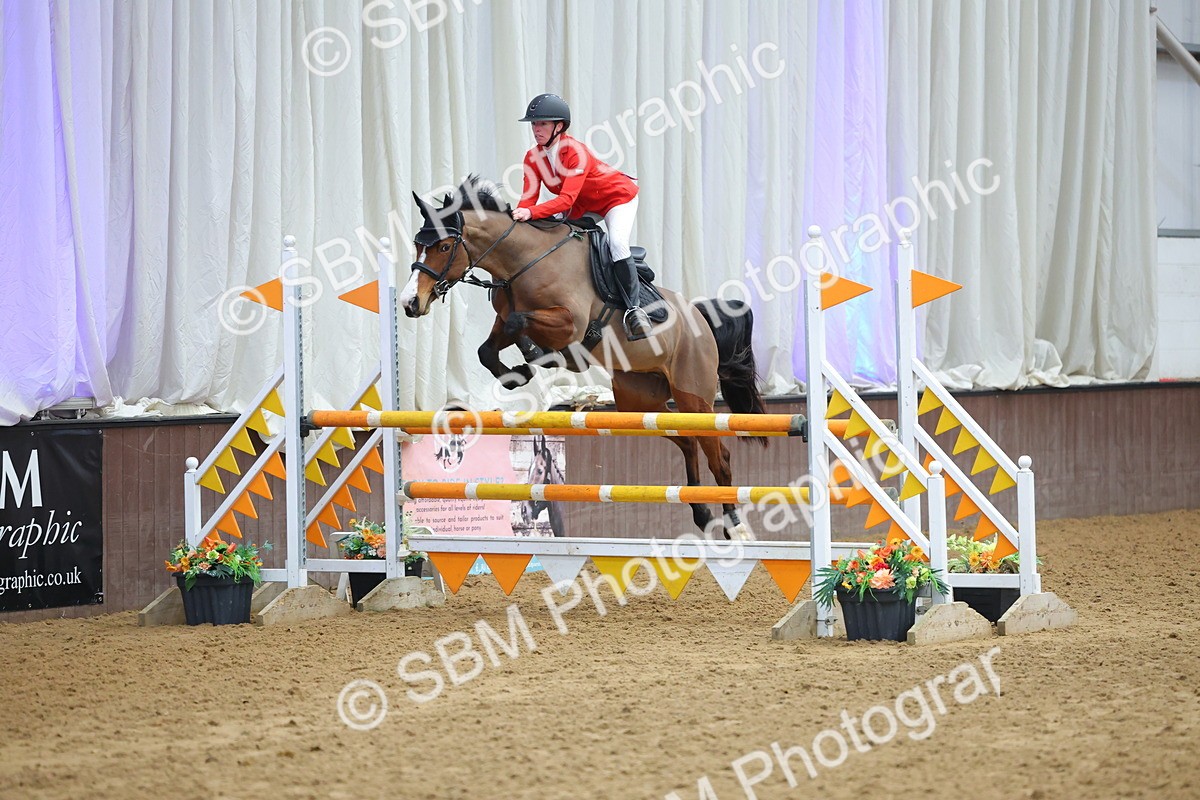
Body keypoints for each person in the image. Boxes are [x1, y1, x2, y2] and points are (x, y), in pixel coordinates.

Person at [511, 93, 651, 340]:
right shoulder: (533, 158)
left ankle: (634, 310)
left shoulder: (575, 152)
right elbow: (528, 200)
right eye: (534, 124)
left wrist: (530, 212)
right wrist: (517, 221)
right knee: (562, 239)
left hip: (616, 198)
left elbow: (565, 201)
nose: (536, 129)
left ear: (559, 126)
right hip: (584, 204)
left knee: (616, 243)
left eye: (542, 123)